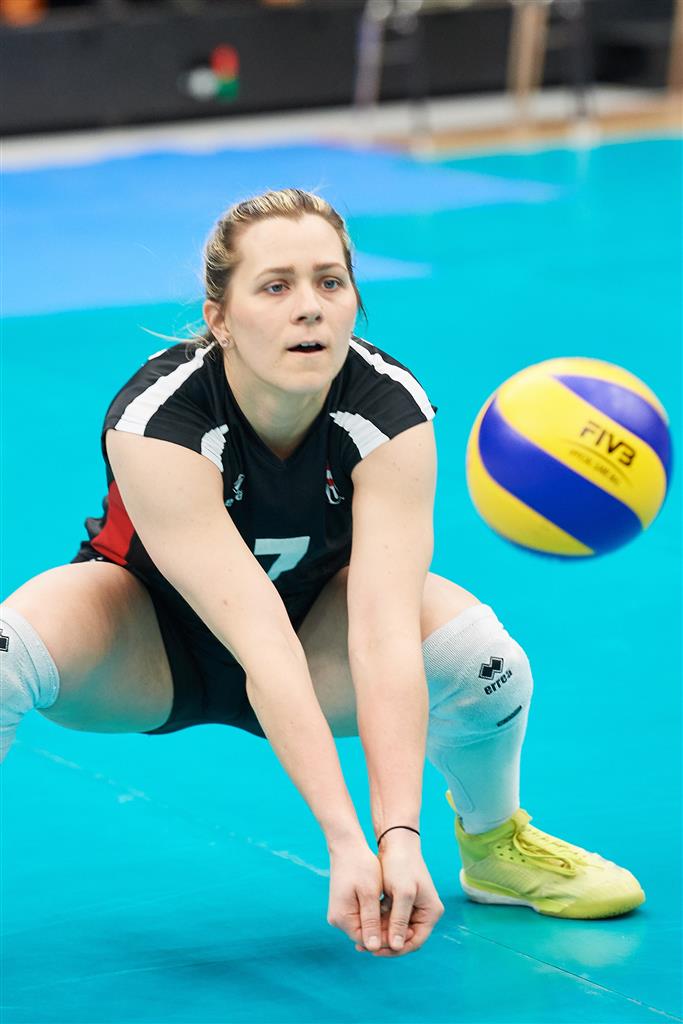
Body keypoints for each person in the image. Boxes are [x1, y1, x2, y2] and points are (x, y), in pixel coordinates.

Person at [0, 188, 644, 957]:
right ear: (219, 317)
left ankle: (494, 846)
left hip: (316, 636)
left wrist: (397, 837)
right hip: (146, 643)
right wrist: (344, 842)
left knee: (481, 658)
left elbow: (382, 632)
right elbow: (258, 645)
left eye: (329, 282)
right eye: (275, 286)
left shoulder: (389, 411)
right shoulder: (160, 420)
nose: (309, 307)